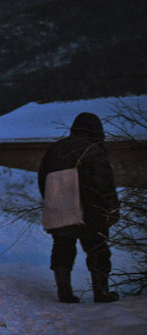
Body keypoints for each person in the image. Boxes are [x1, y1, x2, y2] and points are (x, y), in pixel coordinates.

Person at [37, 112, 121, 303]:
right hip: (89, 210)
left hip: (59, 207)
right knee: (97, 249)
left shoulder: (55, 149)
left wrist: (51, 201)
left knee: (62, 246)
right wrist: (111, 209)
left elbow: (42, 179)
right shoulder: (93, 149)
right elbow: (104, 183)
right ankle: (101, 292)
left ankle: (64, 292)